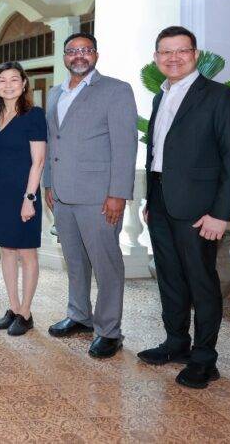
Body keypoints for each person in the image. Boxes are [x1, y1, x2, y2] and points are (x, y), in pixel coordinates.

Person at [137, 26, 230, 389]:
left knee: (202, 282)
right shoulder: (160, 97)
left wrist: (221, 213)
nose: (173, 58)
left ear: (195, 54)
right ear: (156, 58)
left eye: (181, 50)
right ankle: (176, 343)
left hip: (200, 210)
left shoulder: (221, 96)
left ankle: (204, 359)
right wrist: (151, 200)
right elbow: (157, 154)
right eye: (165, 52)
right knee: (169, 277)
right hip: (161, 202)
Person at [42, 32, 137, 358]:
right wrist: (49, 183)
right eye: (72, 51)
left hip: (99, 197)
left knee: (106, 264)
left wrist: (118, 194)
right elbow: (53, 142)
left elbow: (125, 146)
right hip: (62, 195)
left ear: (95, 54)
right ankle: (79, 315)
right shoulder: (55, 93)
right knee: (75, 261)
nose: (79, 56)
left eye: (86, 50)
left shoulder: (115, 90)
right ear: (64, 56)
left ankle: (109, 330)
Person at [0, 62, 47, 336]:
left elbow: (39, 161)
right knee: (7, 250)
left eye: (14, 79)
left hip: (23, 192)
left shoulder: (34, 115)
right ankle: (13, 307)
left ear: (24, 84)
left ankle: (26, 312)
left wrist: (29, 198)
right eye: (2, 80)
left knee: (26, 251)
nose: (8, 85)